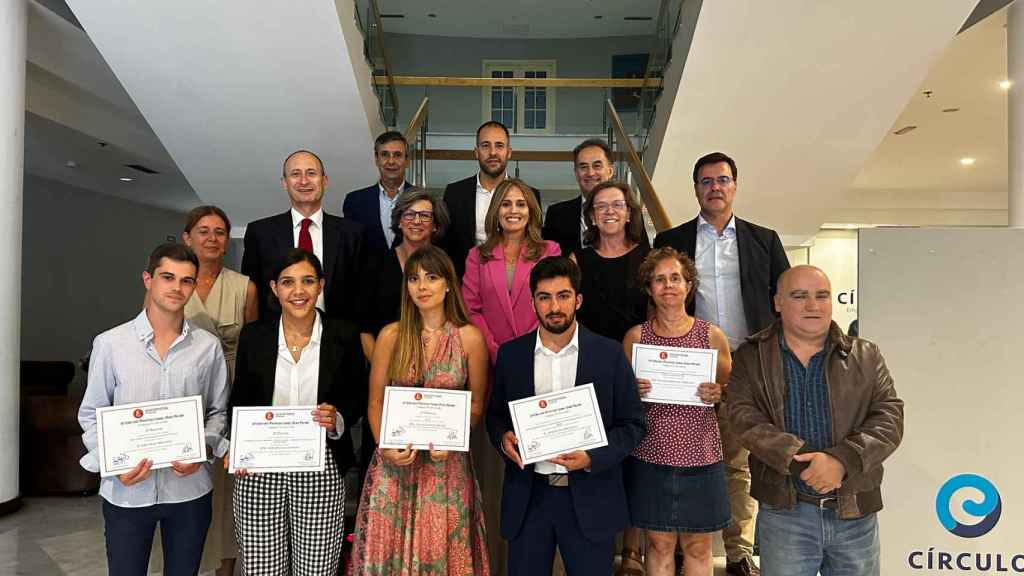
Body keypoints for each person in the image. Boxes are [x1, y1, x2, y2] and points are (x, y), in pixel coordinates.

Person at [653, 152, 790, 576]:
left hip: (746, 366)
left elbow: (782, 298)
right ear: (695, 188)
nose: (715, 187)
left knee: (736, 461)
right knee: (676, 455)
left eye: (723, 180)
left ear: (735, 185)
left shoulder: (763, 240)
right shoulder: (671, 241)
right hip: (687, 363)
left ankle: (737, 551)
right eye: (706, 181)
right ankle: (676, 544)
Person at [727, 266, 904, 575]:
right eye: (800, 296)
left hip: (855, 515)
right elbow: (744, 419)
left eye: (822, 296)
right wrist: (801, 462)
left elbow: (889, 417)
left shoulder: (866, 354)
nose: (813, 305)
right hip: (786, 515)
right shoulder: (751, 356)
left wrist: (842, 460)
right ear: (778, 302)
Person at [487, 256, 646, 576]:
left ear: (578, 300)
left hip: (590, 498)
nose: (554, 306)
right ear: (533, 303)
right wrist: (504, 439)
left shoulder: (609, 354)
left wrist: (591, 456)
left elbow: (632, 425)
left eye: (563, 296)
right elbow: (496, 416)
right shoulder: (511, 355)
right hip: (530, 498)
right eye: (544, 297)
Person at [78, 243, 229, 575]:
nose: (177, 287)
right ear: (148, 279)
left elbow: (218, 411)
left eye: (186, 280)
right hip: (127, 491)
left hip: (189, 491)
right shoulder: (110, 344)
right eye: (167, 277)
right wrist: (113, 462)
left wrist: (202, 448)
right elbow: (91, 414)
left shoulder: (207, 346)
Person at [348, 246, 491, 575]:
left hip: (446, 467)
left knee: (442, 550)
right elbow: (376, 402)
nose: (422, 286)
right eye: (414, 278)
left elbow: (476, 403)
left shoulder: (469, 338)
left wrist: (454, 439)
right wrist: (385, 445)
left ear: (448, 284)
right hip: (395, 465)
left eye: (431, 277)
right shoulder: (391, 335)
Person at [228, 249, 365, 575]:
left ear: (320, 285)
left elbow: (356, 394)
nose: (298, 291)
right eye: (288, 282)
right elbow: (240, 399)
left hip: (323, 465)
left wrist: (338, 417)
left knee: (316, 568)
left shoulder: (343, 334)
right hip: (260, 469)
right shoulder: (255, 336)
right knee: (262, 568)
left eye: (307, 281)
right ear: (274, 288)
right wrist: (239, 448)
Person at [623, 248, 733, 576]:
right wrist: (632, 392)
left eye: (676, 278)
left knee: (699, 547)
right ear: (649, 288)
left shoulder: (712, 336)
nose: (668, 285)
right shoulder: (635, 338)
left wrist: (719, 393)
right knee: (658, 545)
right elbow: (620, 402)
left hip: (701, 456)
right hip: (652, 456)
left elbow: (731, 393)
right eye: (659, 279)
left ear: (689, 285)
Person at [179, 205, 258, 575]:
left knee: (227, 489)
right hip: (184, 394)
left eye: (220, 232)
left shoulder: (245, 287)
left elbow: (257, 349)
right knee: (185, 477)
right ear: (187, 237)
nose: (212, 238)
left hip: (232, 392)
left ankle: (226, 566)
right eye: (203, 231)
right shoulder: (172, 284)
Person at [242, 149, 365, 323]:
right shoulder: (260, 233)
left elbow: (362, 294)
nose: (304, 181)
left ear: (324, 180)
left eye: (311, 173)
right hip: (276, 338)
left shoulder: (353, 233)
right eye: (295, 174)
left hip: (338, 338)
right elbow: (252, 295)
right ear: (284, 182)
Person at [462, 178, 561, 364]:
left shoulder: (550, 251)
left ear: (530, 211)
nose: (513, 210)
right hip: (491, 358)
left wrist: (528, 347)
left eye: (521, 204)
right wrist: (495, 351)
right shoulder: (476, 256)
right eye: (505, 204)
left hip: (540, 354)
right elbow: (471, 310)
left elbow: (552, 304)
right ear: (496, 211)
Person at [358, 189, 451, 361]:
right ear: (399, 221)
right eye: (409, 214)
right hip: (387, 365)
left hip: (439, 367)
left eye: (425, 215)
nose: (416, 221)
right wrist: (384, 373)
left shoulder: (446, 264)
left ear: (435, 225)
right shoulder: (376, 264)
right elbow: (365, 329)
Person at [442, 121, 541, 277]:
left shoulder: (530, 195)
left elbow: (534, 242)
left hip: (514, 283)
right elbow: (446, 246)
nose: (493, 152)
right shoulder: (454, 194)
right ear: (476, 152)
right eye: (485, 146)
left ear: (509, 152)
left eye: (499, 145)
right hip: (465, 283)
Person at [571, 180, 650, 343]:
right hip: (591, 352)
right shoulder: (576, 261)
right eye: (601, 206)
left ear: (628, 214)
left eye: (617, 205)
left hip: (638, 352)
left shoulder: (649, 259)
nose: (609, 211)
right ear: (592, 217)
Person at [544, 139, 648, 257]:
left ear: (610, 171)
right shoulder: (556, 214)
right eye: (583, 167)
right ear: (576, 173)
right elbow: (550, 265)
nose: (590, 173)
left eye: (597, 166)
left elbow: (644, 258)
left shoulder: (629, 211)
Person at [343, 131, 413, 256]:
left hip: (410, 274)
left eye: (397, 155)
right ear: (376, 159)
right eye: (385, 154)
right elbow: (350, 248)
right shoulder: (354, 201)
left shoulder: (422, 200)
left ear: (407, 160)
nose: (391, 161)